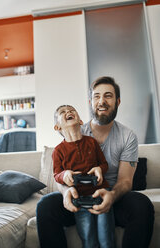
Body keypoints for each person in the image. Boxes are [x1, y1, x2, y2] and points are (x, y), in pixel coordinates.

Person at [36, 76, 154, 248]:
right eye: (97, 96)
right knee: (45, 206)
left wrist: (111, 196)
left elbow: (125, 181)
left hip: (112, 196)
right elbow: (59, 174)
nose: (102, 101)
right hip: (79, 198)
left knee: (142, 205)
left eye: (108, 96)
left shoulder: (127, 136)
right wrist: (66, 191)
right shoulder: (76, 130)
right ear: (90, 102)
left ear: (118, 101)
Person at [52, 104, 115, 248]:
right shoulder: (58, 151)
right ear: (57, 127)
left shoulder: (92, 142)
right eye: (63, 112)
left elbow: (104, 164)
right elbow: (57, 174)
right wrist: (65, 174)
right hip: (79, 200)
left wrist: (99, 169)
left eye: (72, 110)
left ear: (80, 121)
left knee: (106, 238)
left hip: (100, 195)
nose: (68, 112)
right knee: (88, 239)